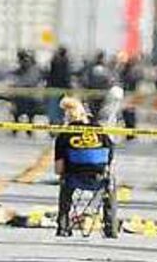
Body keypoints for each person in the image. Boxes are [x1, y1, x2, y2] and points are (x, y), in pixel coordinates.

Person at [53, 96, 116, 238]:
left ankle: (63, 226)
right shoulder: (100, 131)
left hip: (74, 179)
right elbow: (110, 159)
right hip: (99, 180)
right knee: (110, 181)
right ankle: (110, 227)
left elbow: (58, 169)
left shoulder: (64, 135)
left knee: (64, 182)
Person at [45, 46, 72, 125]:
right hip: (62, 88)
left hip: (54, 87)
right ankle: (59, 122)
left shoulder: (54, 61)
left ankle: (53, 122)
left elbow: (49, 74)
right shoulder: (65, 62)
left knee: (54, 108)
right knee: (60, 107)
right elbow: (66, 76)